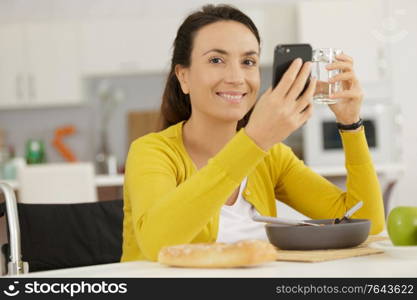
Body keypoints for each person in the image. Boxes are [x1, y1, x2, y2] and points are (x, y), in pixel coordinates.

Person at [121, 4, 385, 262]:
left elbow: (367, 224)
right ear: (183, 77)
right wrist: (254, 140)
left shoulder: (271, 156)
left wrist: (351, 124)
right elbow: (158, 246)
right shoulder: (152, 152)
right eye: (216, 60)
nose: (236, 77)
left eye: (248, 61)